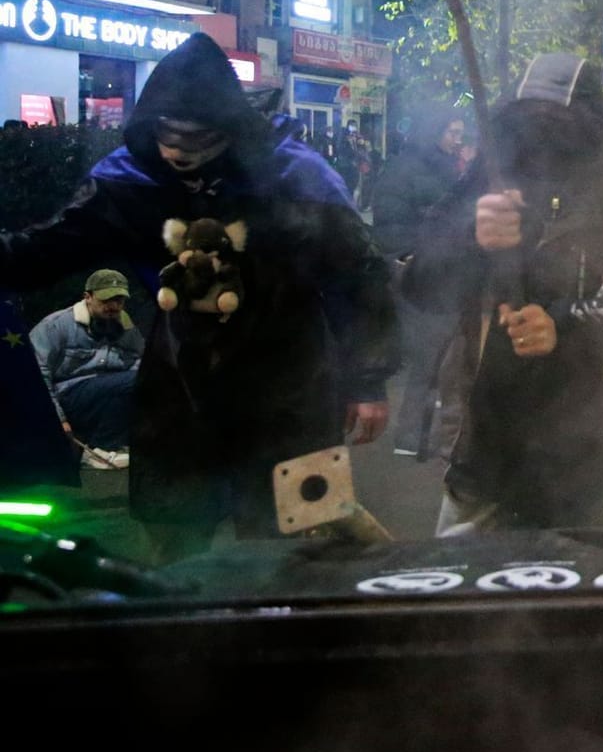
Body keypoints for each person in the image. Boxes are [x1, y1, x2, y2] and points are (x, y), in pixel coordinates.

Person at [0, 33, 394, 559]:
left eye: (199, 137)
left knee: (303, 546)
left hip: (292, 384)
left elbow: (359, 274)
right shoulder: (131, 183)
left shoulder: (292, 177)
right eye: (169, 135)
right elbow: (46, 249)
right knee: (175, 542)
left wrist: (367, 379)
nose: (180, 152)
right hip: (182, 387)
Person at [405, 54, 603, 534]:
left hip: (594, 457)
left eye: (562, 134)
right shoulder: (475, 201)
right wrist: (470, 238)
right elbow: (421, 285)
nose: (544, 149)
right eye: (529, 130)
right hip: (484, 453)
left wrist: (564, 328)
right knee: (464, 598)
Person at [371, 106, 467, 456]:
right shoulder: (407, 170)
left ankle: (424, 438)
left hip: (439, 275)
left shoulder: (439, 168)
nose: (457, 141)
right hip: (416, 278)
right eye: (452, 133)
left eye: (460, 134)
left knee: (441, 358)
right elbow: (392, 223)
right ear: (434, 132)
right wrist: (406, 258)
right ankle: (413, 439)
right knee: (429, 358)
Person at [29, 268, 143, 467]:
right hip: (68, 397)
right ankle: (102, 447)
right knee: (134, 380)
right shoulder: (56, 325)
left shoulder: (126, 326)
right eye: (106, 300)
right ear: (87, 297)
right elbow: (37, 376)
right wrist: (59, 420)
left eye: (119, 300)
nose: (114, 306)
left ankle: (121, 442)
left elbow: (139, 360)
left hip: (104, 394)